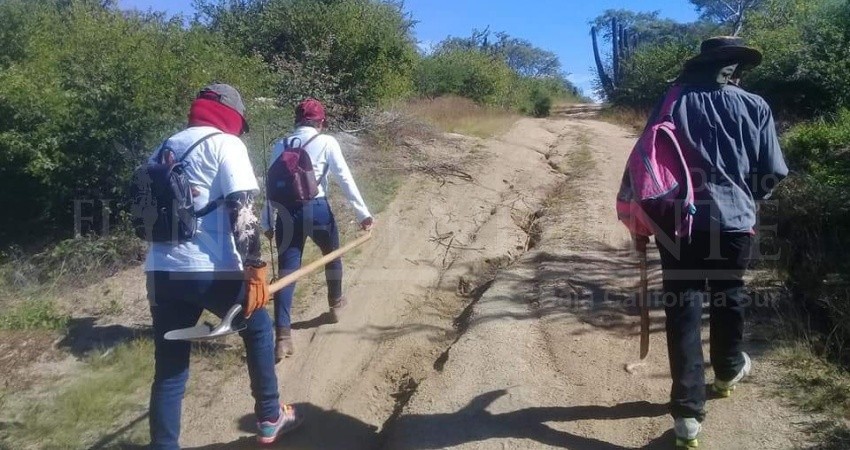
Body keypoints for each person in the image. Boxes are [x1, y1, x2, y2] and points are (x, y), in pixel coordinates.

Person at [145, 84, 302, 449]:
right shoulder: (226, 144)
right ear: (231, 115)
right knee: (258, 328)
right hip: (211, 269)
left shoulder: (165, 146)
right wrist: (255, 268)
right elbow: (242, 209)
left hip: (160, 272)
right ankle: (270, 416)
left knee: (170, 369)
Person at [654, 37, 789, 448]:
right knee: (729, 294)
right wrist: (744, 198)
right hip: (734, 223)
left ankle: (687, 416)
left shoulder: (673, 100)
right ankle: (728, 371)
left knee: (683, 307)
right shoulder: (755, 105)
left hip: (678, 222)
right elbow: (772, 170)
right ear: (733, 68)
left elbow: (651, 160)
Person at [262, 98, 374, 362]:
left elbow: (271, 185)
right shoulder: (327, 142)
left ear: (296, 121)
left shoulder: (280, 145)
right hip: (317, 209)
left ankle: (283, 336)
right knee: (332, 254)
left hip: (286, 212)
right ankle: (335, 303)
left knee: (288, 272)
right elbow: (344, 177)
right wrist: (363, 214)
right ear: (321, 122)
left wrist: (266, 221)